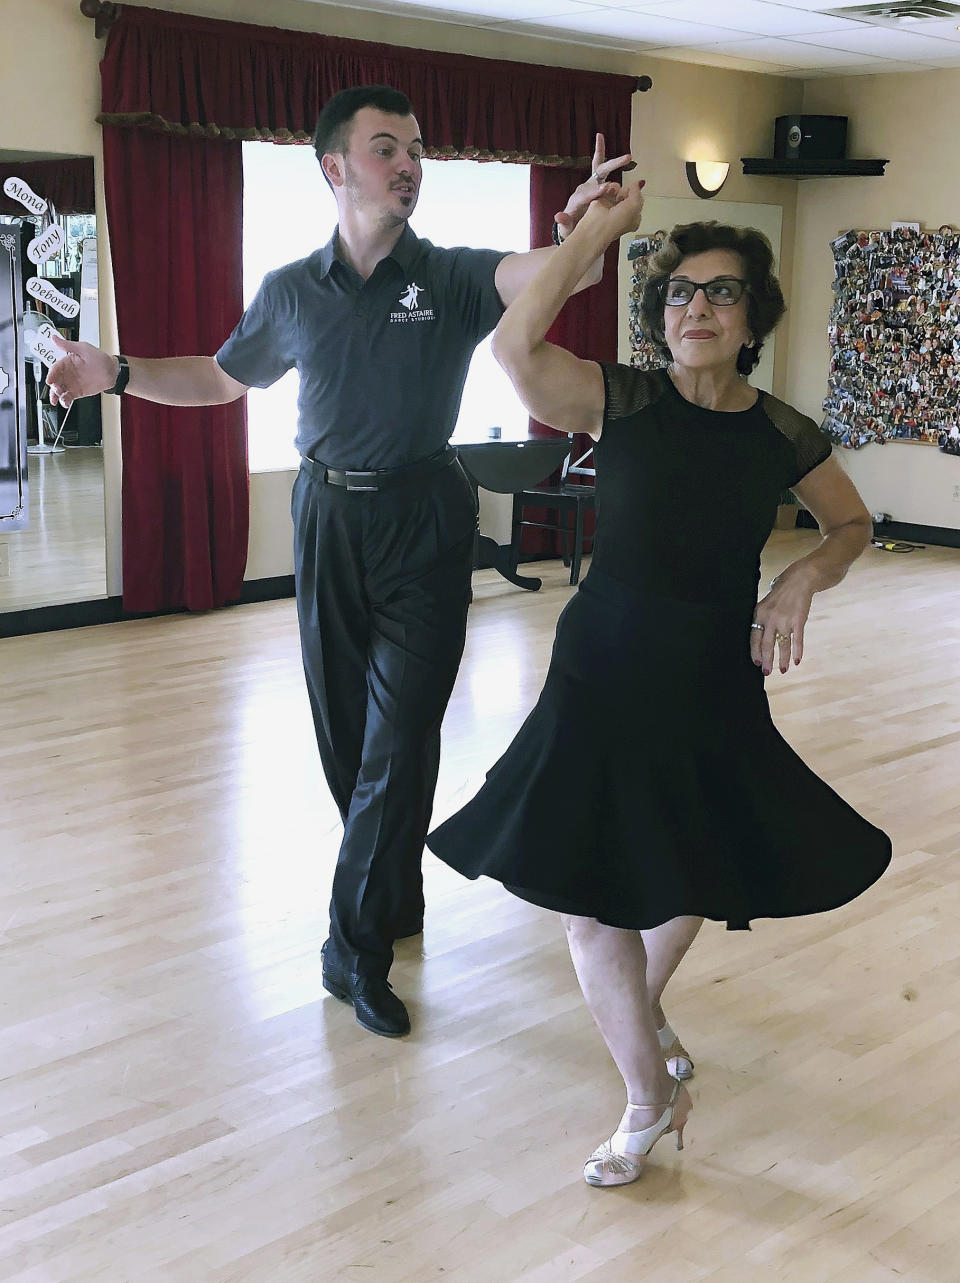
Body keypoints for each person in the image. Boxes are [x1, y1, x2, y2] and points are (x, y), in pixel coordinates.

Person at [44, 85, 630, 1040]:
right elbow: (222, 378)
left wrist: (586, 233)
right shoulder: (290, 289)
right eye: (387, 147)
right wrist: (117, 371)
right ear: (335, 168)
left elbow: (549, 279)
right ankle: (391, 896)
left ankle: (349, 949)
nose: (409, 165)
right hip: (325, 516)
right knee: (347, 743)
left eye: (417, 150)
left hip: (425, 520)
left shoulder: (446, 277)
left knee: (399, 744)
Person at [426, 184, 892, 1186]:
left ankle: (641, 1031)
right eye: (680, 293)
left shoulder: (782, 433)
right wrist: (592, 233)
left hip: (713, 683)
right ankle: (650, 1092)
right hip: (598, 676)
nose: (696, 310)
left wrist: (802, 577)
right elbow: (511, 353)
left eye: (722, 295)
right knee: (591, 907)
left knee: (687, 870)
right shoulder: (619, 399)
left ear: (755, 319)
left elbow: (851, 525)